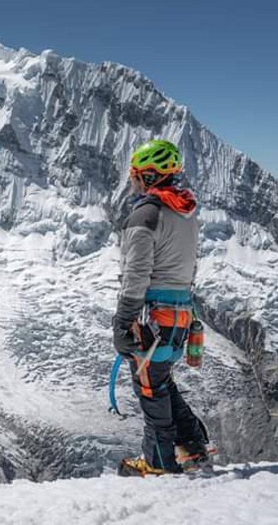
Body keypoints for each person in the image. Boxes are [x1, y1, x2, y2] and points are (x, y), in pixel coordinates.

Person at [112, 139, 210, 476]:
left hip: (154, 319)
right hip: (179, 316)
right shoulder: (185, 211)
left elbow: (137, 273)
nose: (133, 181)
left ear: (149, 176)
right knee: (161, 381)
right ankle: (193, 446)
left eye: (137, 175)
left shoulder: (146, 213)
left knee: (150, 388)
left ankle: (158, 463)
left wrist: (123, 320)